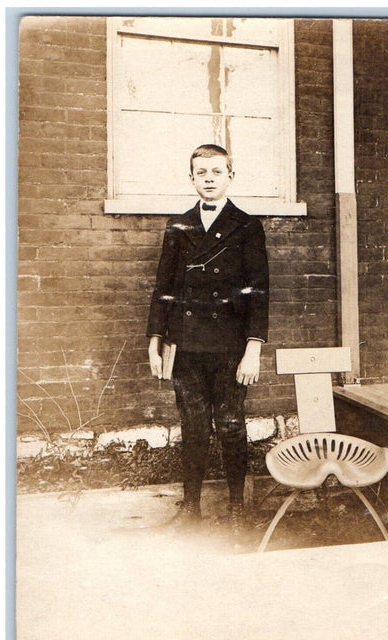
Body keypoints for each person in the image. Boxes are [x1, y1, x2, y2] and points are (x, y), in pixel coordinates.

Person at [147, 144, 269, 539]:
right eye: (202, 173)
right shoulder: (178, 225)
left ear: (231, 175)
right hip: (186, 347)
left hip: (231, 348)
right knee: (193, 427)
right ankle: (192, 508)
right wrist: (155, 339)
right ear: (192, 178)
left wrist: (253, 349)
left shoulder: (247, 226)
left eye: (217, 172)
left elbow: (259, 293)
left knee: (231, 426)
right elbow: (163, 289)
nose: (210, 179)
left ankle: (237, 506)